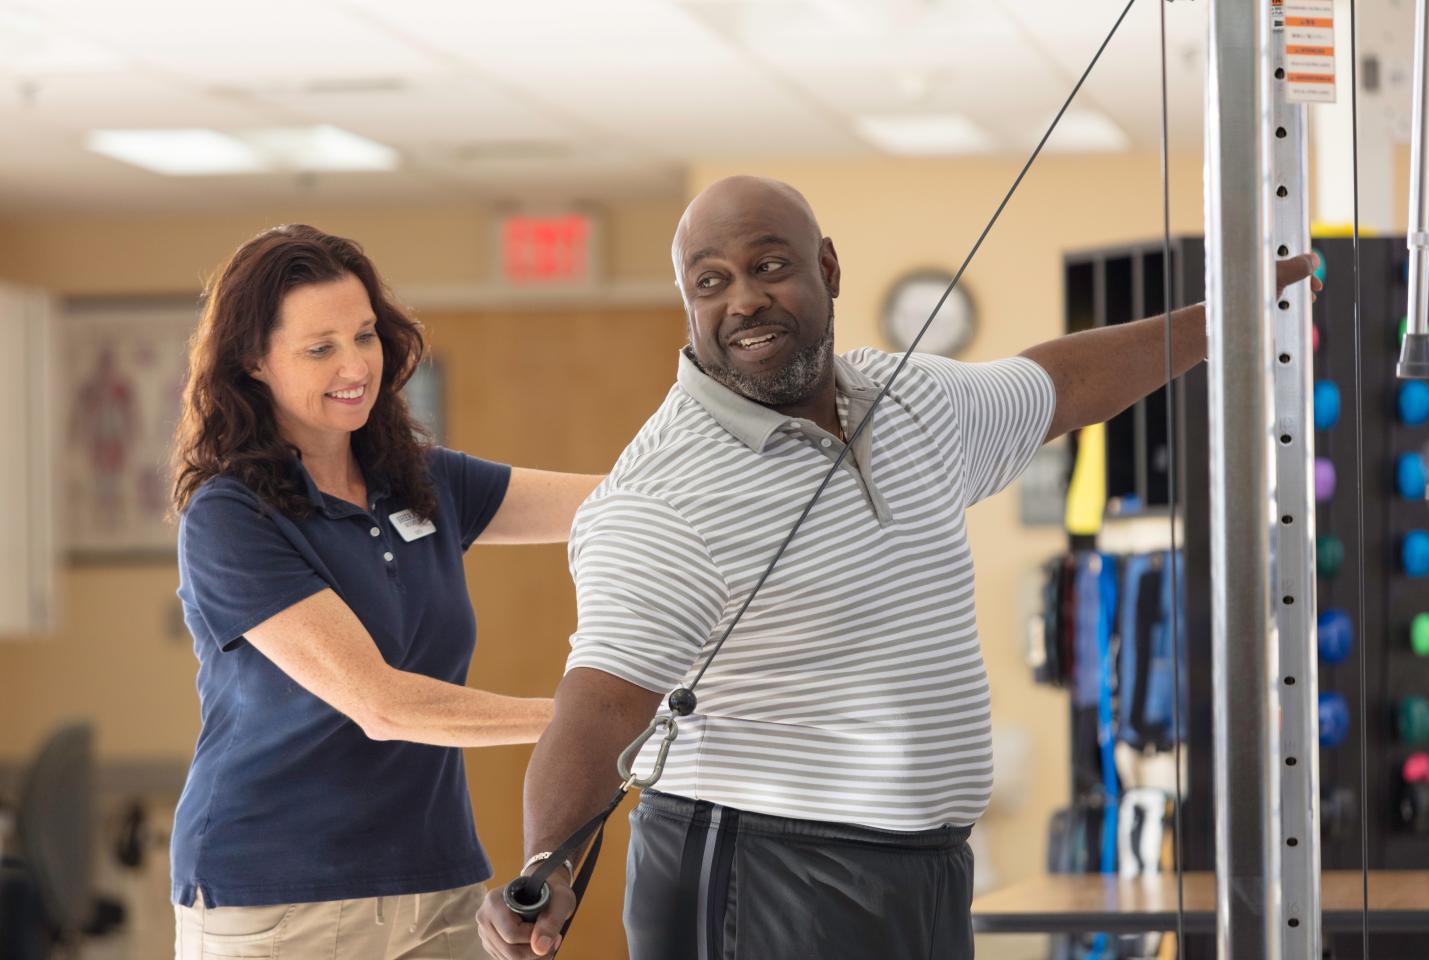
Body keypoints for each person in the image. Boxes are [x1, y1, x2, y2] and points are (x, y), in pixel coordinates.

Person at [475, 176, 1322, 959]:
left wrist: (1218, 324)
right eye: (710, 282)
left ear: (829, 268)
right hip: (760, 876)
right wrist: (549, 859)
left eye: (769, 265)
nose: (744, 300)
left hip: (924, 869)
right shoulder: (663, 495)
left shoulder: (907, 399)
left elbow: (1060, 384)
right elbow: (599, 705)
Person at [169, 224, 602, 960]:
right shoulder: (231, 516)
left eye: (365, 335)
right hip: (278, 896)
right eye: (320, 347)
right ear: (253, 362)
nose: (354, 364)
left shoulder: (421, 481)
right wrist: (591, 724)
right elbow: (382, 704)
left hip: (435, 883)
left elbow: (619, 505)